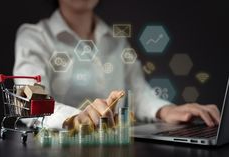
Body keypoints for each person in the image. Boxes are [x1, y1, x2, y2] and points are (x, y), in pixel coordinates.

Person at [13, 0, 220, 131]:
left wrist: (165, 110)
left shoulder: (117, 41)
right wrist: (75, 117)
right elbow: (29, 103)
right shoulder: (34, 37)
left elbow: (137, 93)